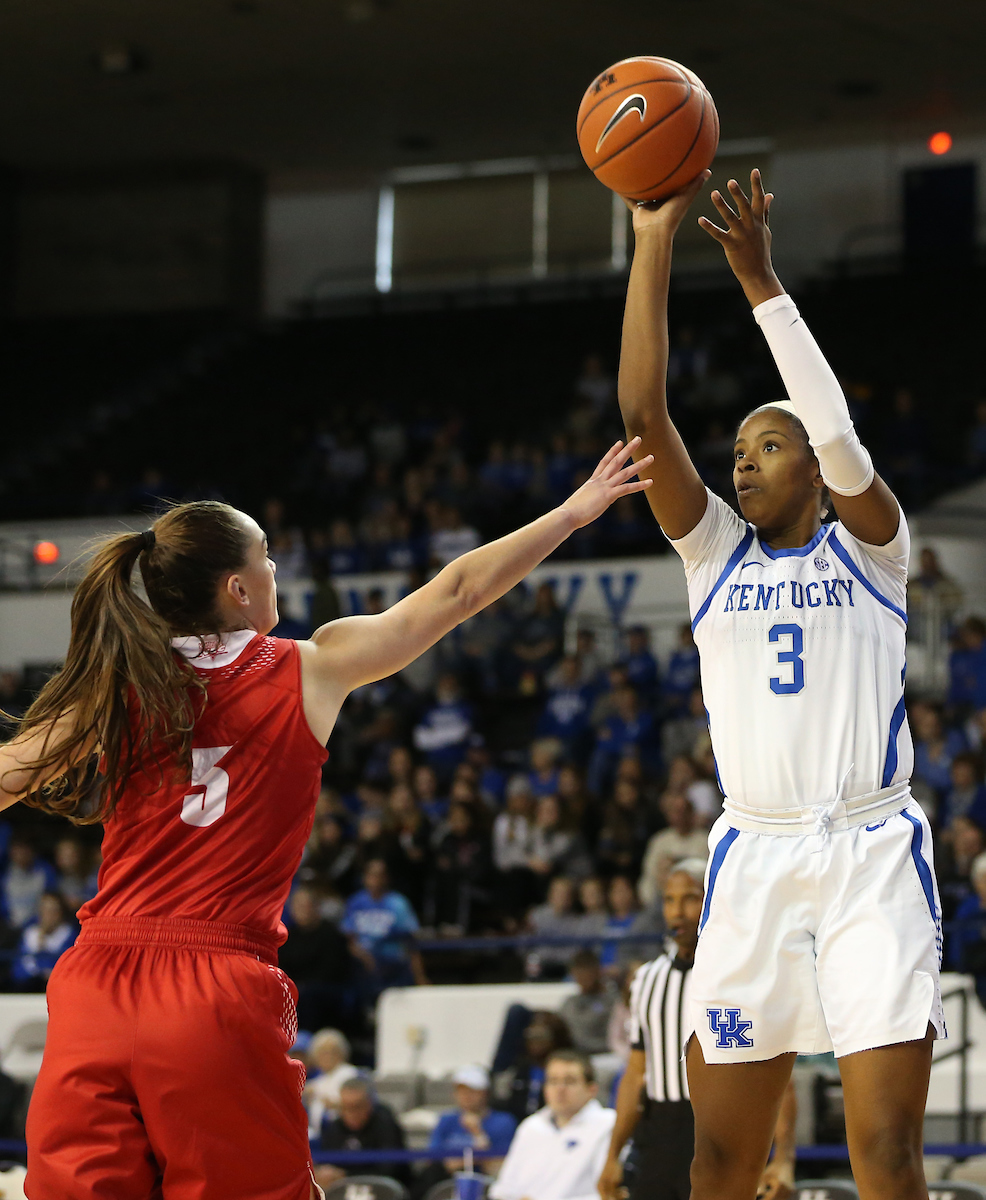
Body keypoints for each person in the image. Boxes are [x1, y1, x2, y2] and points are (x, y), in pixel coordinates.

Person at [3, 447, 650, 1199]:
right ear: (239, 587)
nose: (277, 567)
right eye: (267, 556)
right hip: (210, 987)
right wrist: (574, 510)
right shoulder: (310, 665)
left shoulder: (118, 688)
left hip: (95, 982)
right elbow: (459, 591)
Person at [618, 166, 942, 1200]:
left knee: (884, 1152)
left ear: (811, 466)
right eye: (738, 450)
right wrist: (651, 238)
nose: (742, 463)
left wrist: (761, 286)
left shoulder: (873, 550)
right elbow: (642, 414)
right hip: (751, 857)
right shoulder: (713, 558)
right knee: (722, 1156)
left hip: (867, 852)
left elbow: (840, 435)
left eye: (766, 446)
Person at [597, 862, 795, 1200]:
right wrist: (612, 1154)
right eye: (669, 900)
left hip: (723, 1127)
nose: (678, 911)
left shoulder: (741, 974)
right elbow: (635, 1073)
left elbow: (777, 1077)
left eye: (690, 898)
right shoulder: (646, 979)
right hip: (658, 1133)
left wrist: (784, 1157)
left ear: (713, 900)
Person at [490, 1050, 615, 1200]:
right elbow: (503, 1189)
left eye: (569, 1081)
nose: (560, 1089)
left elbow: (607, 1193)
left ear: (591, 1089)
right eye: (553, 1081)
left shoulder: (607, 1123)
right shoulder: (530, 1126)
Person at [414, 1064, 517, 1197]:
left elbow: (499, 1166)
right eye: (461, 1091)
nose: (466, 1096)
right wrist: (476, 1157)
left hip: (486, 1185)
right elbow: (434, 1160)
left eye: (472, 1091)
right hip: (446, 1182)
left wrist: (477, 1133)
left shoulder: (504, 1121)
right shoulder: (446, 1120)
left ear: (485, 1093)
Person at [341, 858, 427, 998]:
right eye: (371, 875)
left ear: (386, 878)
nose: (375, 880)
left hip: (392, 962)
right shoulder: (355, 902)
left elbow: (410, 943)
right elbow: (349, 940)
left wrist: (419, 975)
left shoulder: (397, 904)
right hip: (363, 961)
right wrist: (363, 956)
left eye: (380, 875)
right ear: (364, 877)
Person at [317, 1076, 408, 1191]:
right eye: (345, 1107)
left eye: (357, 1107)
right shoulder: (333, 1128)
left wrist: (345, 1176)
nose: (351, 1113)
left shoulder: (386, 1126)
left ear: (369, 1104)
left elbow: (390, 1170)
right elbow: (325, 1164)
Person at [11, 892, 77, 993]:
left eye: (53, 911)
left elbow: (70, 965)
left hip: (59, 988)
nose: (48, 915)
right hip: (29, 987)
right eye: (45, 910)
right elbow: (18, 968)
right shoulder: (30, 933)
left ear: (61, 913)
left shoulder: (69, 934)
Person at [558, 949, 617, 1056]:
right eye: (579, 973)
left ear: (598, 972)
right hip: (575, 1056)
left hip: (606, 1056)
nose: (583, 977)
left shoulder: (613, 1002)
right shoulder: (569, 1003)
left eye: (587, 972)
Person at [302, 1029, 359, 1134]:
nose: (328, 1056)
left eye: (333, 1051)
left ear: (342, 1053)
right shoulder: (317, 1081)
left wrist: (335, 1104)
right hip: (320, 1135)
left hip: (346, 1132)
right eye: (322, 1052)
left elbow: (358, 1105)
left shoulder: (350, 1074)